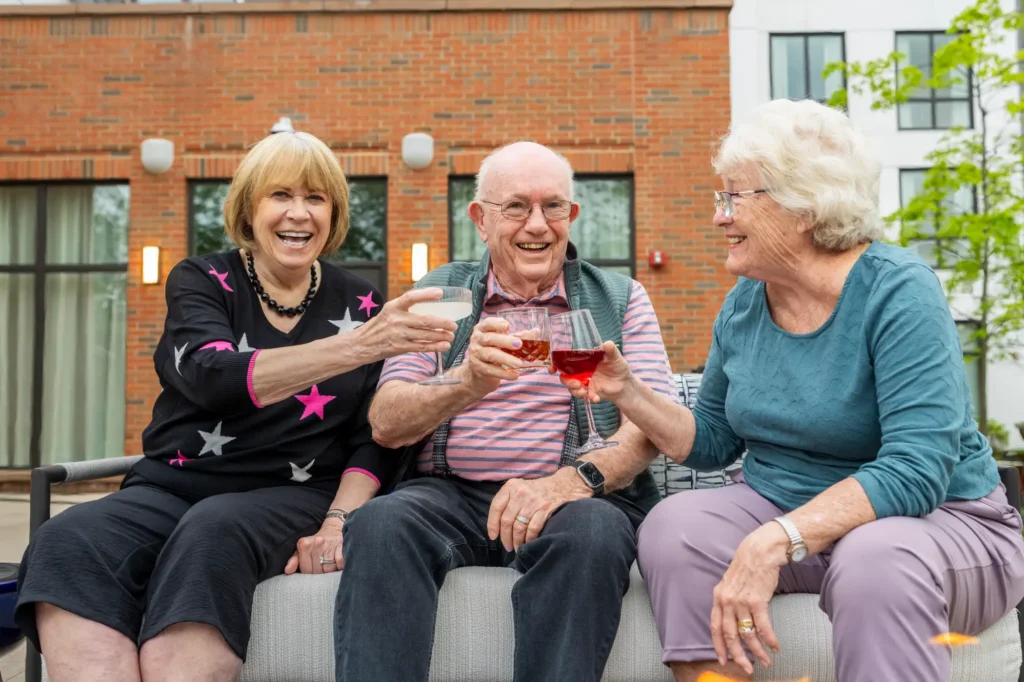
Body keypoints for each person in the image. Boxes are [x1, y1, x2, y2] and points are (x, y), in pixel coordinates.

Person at [558, 99, 1024, 682]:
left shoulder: (900, 292)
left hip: (940, 521)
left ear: (802, 207)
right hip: (785, 505)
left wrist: (776, 540)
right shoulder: (746, 301)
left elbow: (917, 470)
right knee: (674, 529)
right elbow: (712, 440)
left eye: (734, 197)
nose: (720, 217)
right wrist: (627, 390)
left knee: (873, 559)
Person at [15, 130, 458, 682]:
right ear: (249, 208)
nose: (299, 213)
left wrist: (339, 520)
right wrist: (360, 346)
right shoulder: (201, 280)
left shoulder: (363, 301)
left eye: (316, 198)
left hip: (294, 492)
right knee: (67, 538)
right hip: (173, 483)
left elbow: (375, 437)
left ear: (334, 213)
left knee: (213, 528)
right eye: (280, 195)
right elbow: (214, 377)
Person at [334, 141, 677, 682]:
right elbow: (387, 421)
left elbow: (652, 424)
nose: (537, 225)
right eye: (516, 206)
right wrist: (465, 382)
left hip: (572, 496)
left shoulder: (619, 296)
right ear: (480, 219)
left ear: (572, 215)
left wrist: (571, 481)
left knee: (594, 531)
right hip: (449, 494)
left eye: (553, 206)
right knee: (380, 524)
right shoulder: (442, 293)